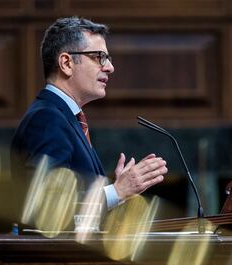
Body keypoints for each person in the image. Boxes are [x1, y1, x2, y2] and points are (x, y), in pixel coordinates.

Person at [10, 16, 168, 213]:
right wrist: (116, 191)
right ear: (66, 63)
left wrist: (117, 195)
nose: (110, 67)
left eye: (108, 58)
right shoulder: (47, 120)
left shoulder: (67, 117)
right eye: (99, 57)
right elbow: (49, 206)